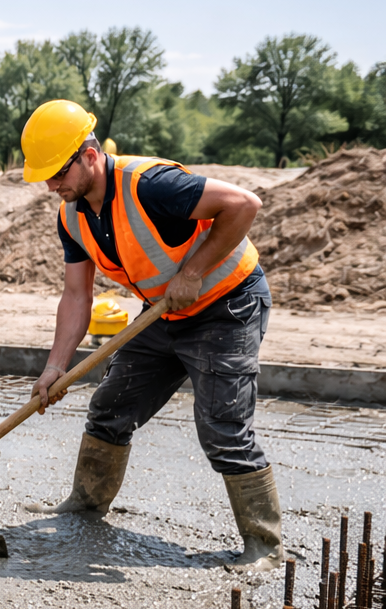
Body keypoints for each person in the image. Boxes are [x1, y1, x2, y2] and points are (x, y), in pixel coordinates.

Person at [19, 99, 281, 570]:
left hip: (226, 306)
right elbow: (76, 296)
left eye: (57, 173)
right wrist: (56, 366)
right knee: (110, 408)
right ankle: (85, 503)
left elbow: (244, 204)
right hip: (162, 313)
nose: (52, 186)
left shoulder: (150, 184)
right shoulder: (71, 216)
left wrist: (193, 271)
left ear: (90, 155)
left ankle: (265, 543)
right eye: (46, 178)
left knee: (223, 426)